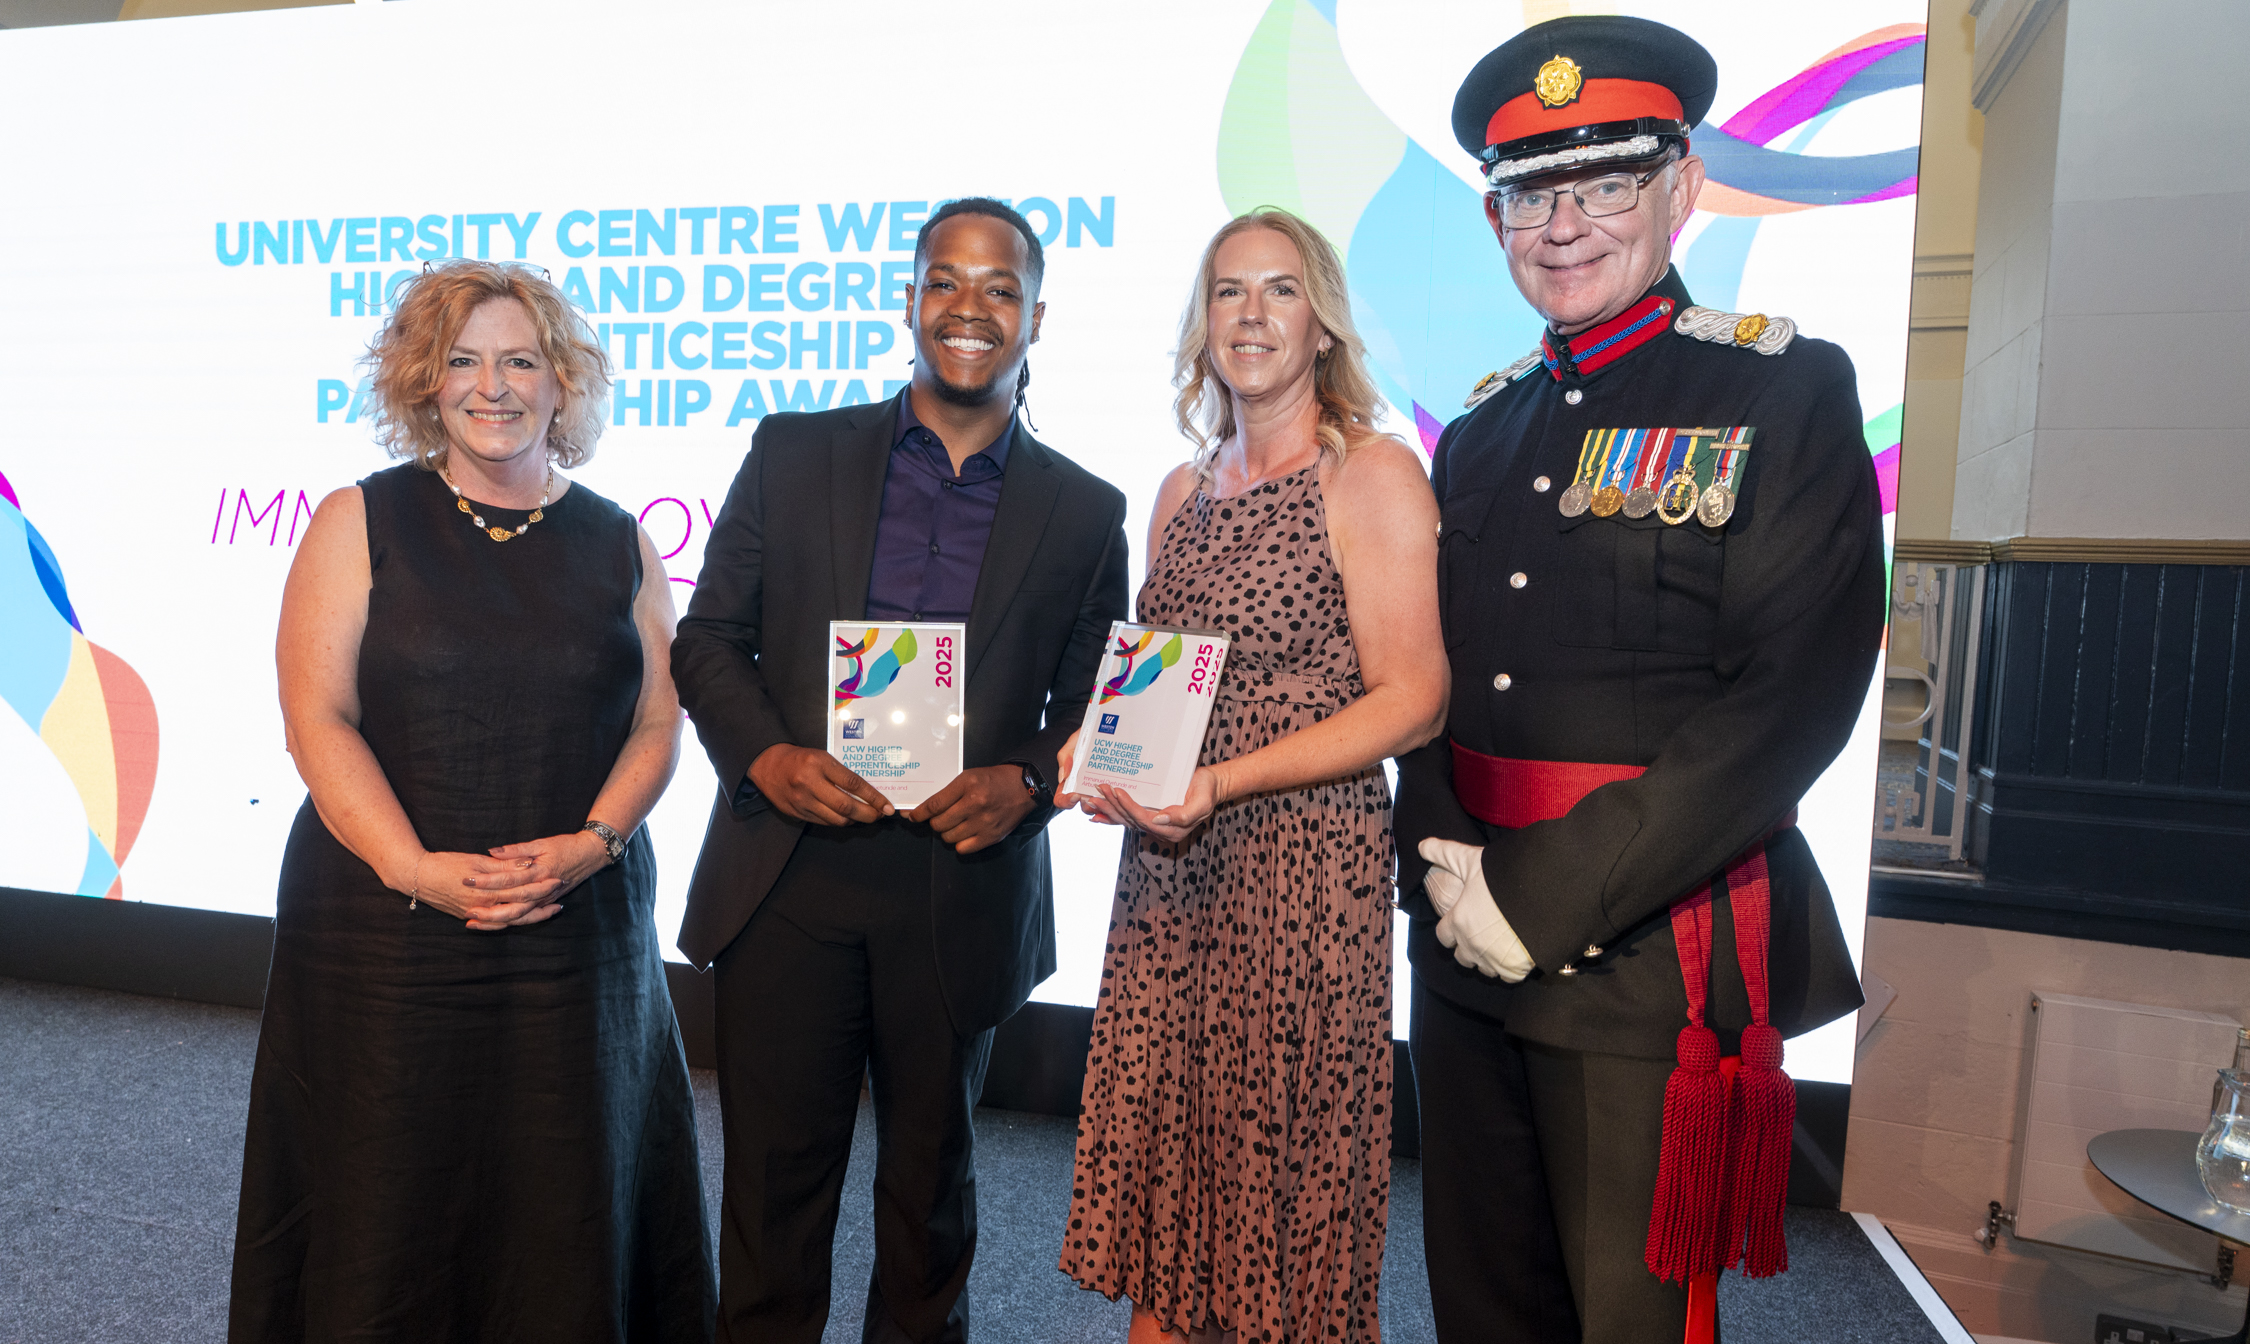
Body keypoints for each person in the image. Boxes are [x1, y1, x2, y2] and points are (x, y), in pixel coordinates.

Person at [1395, 15, 1886, 1343]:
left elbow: (1787, 703)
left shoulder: (1780, 394)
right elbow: (1433, 671)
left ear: (1678, 187)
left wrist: (1541, 893)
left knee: (1626, 1320)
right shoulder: (1483, 429)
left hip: (1634, 957)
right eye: (1528, 194)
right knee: (1483, 1306)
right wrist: (1439, 854)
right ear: (1495, 219)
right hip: (1460, 941)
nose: (1562, 225)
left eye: (1603, 183)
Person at [671, 197, 1129, 1344]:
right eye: (945, 280)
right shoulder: (793, 451)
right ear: (911, 296)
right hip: (792, 874)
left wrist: (1026, 783)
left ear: (1035, 315)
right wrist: (768, 757)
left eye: (1001, 287)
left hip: (958, 886)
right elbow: (707, 639)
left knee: (931, 1211)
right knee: (773, 1200)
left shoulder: (1085, 510)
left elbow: (1087, 709)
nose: (969, 308)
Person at [229, 260, 715, 1342]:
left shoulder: (619, 538)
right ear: (422, 381)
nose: (490, 386)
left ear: (562, 382)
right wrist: (412, 869)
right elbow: (320, 720)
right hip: (383, 940)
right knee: (386, 1199)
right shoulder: (359, 519)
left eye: (519, 360)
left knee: (565, 1197)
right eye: (460, 361)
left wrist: (595, 844)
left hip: (576, 935)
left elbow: (656, 723)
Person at [1058, 208, 1448, 1344]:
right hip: (1169, 882)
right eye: (1229, 292)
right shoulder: (1182, 495)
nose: (1253, 314)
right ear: (1202, 324)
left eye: (1280, 290)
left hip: (1299, 875)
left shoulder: (1367, 477)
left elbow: (1413, 699)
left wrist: (1224, 784)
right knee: (1174, 1172)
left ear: (1321, 322)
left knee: (1282, 1188)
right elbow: (1161, 685)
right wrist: (1099, 747)